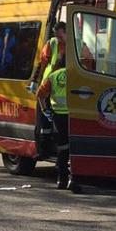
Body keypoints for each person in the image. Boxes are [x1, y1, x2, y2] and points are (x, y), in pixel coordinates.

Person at [35, 42, 77, 191]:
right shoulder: (78, 75)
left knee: (62, 147)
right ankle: (75, 180)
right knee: (75, 148)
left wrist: (45, 110)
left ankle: (61, 179)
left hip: (58, 116)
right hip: (75, 116)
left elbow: (39, 95)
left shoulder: (53, 76)